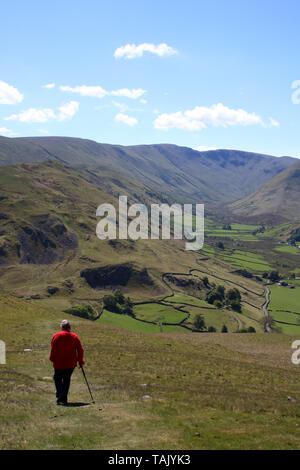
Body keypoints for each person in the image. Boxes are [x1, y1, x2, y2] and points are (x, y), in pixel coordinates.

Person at [49, 319, 85, 405]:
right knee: (66, 379)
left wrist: (52, 358)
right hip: (71, 364)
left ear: (61, 327)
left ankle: (60, 393)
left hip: (59, 362)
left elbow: (53, 349)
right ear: (69, 327)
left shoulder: (57, 336)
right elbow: (80, 350)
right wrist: (80, 361)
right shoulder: (75, 337)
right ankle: (63, 399)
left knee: (57, 378)